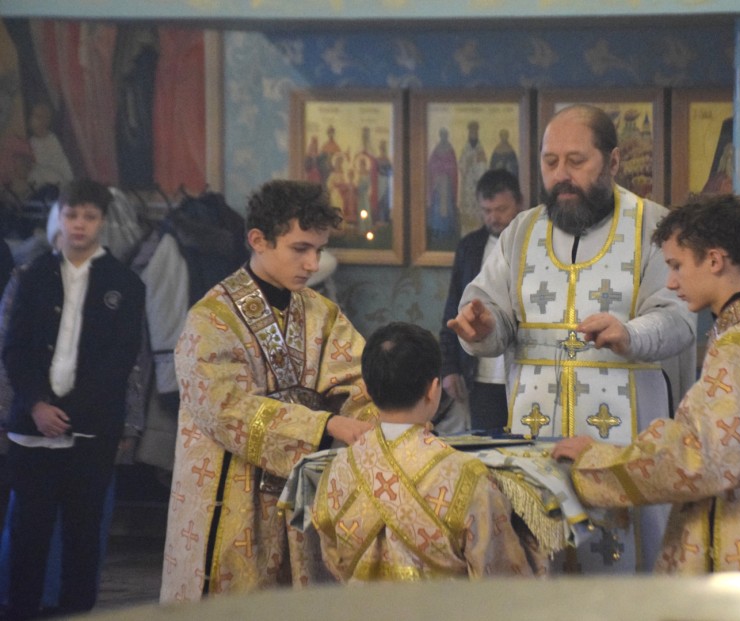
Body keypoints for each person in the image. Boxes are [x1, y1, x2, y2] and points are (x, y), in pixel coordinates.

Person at [447, 104, 696, 572]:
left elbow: (679, 319)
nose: (561, 175)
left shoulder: (653, 227)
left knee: (627, 576)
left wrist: (630, 333)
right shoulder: (521, 232)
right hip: (535, 443)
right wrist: (482, 330)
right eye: (550, 162)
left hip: (621, 443)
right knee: (543, 573)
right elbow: (487, 309)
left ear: (613, 161)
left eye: (576, 161)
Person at [553, 194, 740, 576]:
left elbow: (706, 459)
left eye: (677, 265)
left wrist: (595, 460)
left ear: (714, 260)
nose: (671, 282)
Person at [160, 180, 375, 603]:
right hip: (231, 505)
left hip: (300, 508)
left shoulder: (321, 313)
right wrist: (325, 425)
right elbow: (224, 410)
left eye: (319, 249)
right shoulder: (211, 320)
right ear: (258, 240)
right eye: (300, 249)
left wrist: (382, 423)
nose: (313, 263)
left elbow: (360, 383)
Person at [1, 179, 145, 618]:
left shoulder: (125, 282)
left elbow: (120, 360)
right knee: (28, 533)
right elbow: (15, 349)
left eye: (89, 216)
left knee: (83, 536)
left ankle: (76, 613)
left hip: (91, 429)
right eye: (71, 215)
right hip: (33, 427)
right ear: (58, 217)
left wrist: (69, 412)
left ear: (102, 221)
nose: (79, 224)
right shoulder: (32, 274)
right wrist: (36, 405)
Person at [313, 321, 536, 581]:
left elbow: (333, 558)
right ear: (433, 389)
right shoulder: (466, 474)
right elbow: (501, 576)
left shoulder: (337, 469)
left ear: (369, 392)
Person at [439, 169, 523, 433]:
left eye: (501, 209)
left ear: (519, 203)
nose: (493, 218)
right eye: (487, 211)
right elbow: (454, 308)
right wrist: (449, 368)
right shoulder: (470, 247)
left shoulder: (535, 245)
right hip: (480, 376)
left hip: (524, 372)